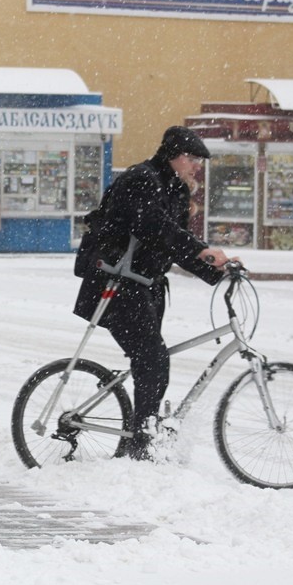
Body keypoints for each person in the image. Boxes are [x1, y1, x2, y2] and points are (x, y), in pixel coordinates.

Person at [73, 126, 233, 461]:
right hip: (115, 284)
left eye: (199, 161)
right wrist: (202, 250)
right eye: (192, 159)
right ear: (173, 155)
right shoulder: (141, 179)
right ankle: (140, 444)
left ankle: (141, 436)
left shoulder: (174, 189)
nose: (197, 166)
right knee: (152, 359)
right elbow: (154, 228)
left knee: (151, 362)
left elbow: (173, 244)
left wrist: (216, 270)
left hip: (143, 286)